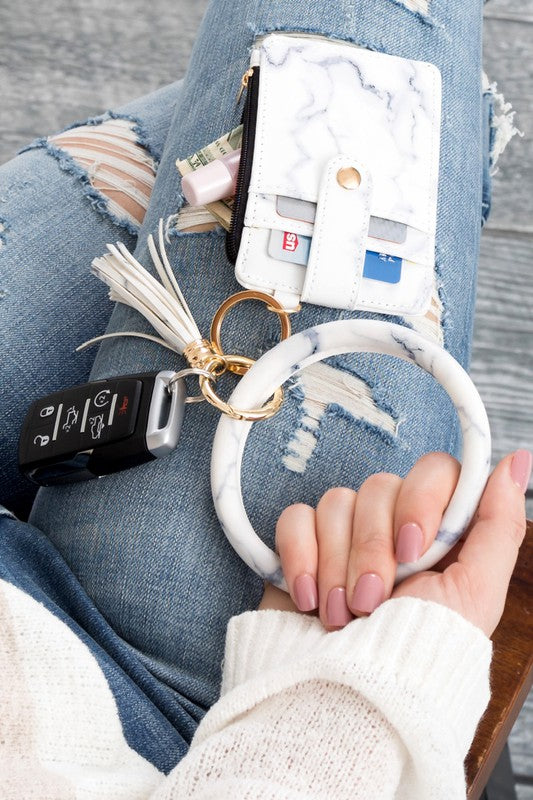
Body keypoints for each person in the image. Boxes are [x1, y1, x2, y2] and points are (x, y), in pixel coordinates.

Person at [0, 0, 529, 797]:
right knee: (357, 72)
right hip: (132, 698)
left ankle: (456, 130)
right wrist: (342, 710)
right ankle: (458, 125)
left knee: (299, 101)